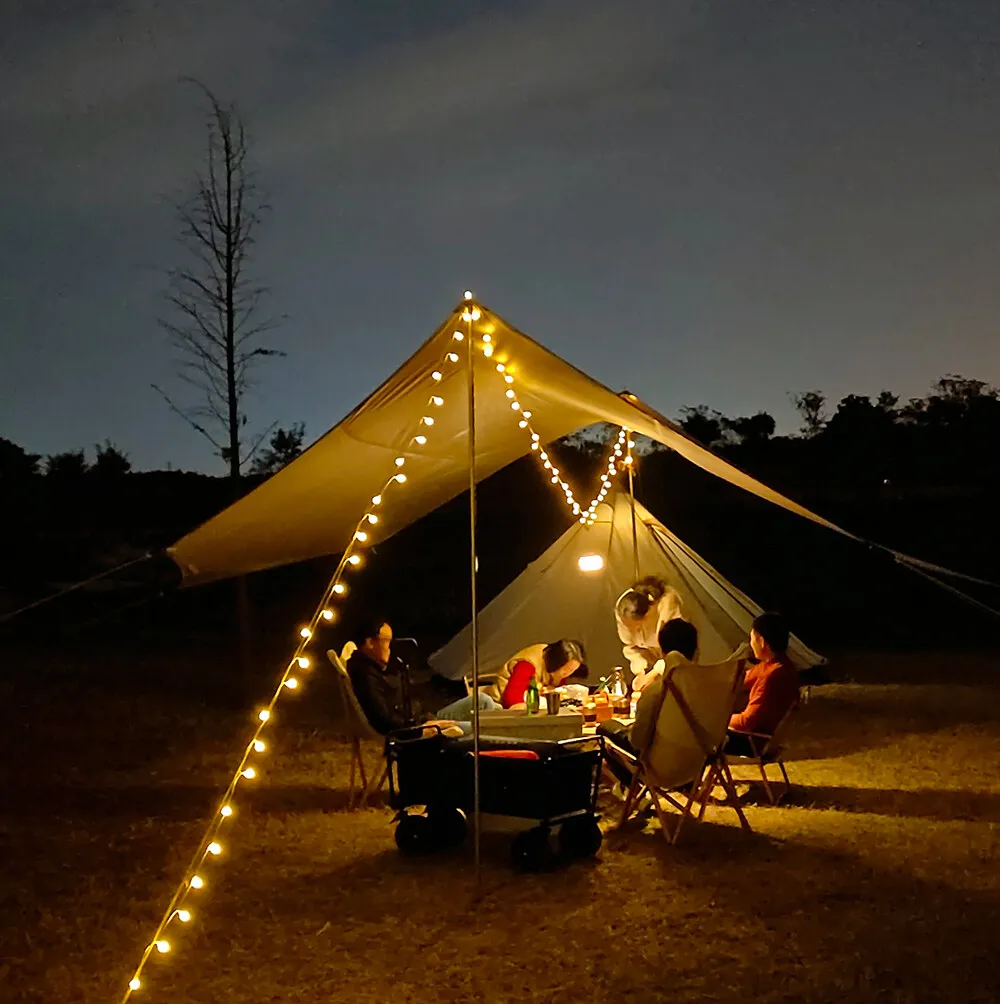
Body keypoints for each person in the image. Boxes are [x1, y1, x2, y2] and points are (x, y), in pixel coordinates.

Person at [347, 617, 498, 736]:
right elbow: (383, 720)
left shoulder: (379, 669)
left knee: (483, 700)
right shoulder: (365, 674)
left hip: (423, 719)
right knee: (483, 728)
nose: (390, 647)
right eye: (386, 641)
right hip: (415, 730)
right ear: (369, 643)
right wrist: (421, 730)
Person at [599, 619, 699, 787]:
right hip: (695, 763)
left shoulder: (656, 692)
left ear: (663, 653)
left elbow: (637, 740)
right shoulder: (708, 689)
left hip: (660, 767)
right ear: (695, 651)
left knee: (604, 728)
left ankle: (629, 787)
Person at [725, 612, 800, 756]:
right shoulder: (779, 665)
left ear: (762, 642)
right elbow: (740, 680)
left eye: (752, 639)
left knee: (699, 737)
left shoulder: (772, 677)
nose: (750, 644)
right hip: (760, 739)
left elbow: (747, 721)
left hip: (753, 743)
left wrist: (720, 720)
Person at [615, 575, 685, 689]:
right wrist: (640, 672)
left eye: (633, 626)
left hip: (678, 656)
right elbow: (630, 646)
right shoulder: (624, 607)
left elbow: (677, 652)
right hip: (652, 657)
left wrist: (653, 674)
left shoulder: (668, 607)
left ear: (646, 617)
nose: (631, 630)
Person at [490, 639, 587, 709]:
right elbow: (512, 701)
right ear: (557, 663)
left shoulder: (556, 671)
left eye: (572, 670)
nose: (567, 674)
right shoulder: (526, 665)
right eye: (566, 670)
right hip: (500, 708)